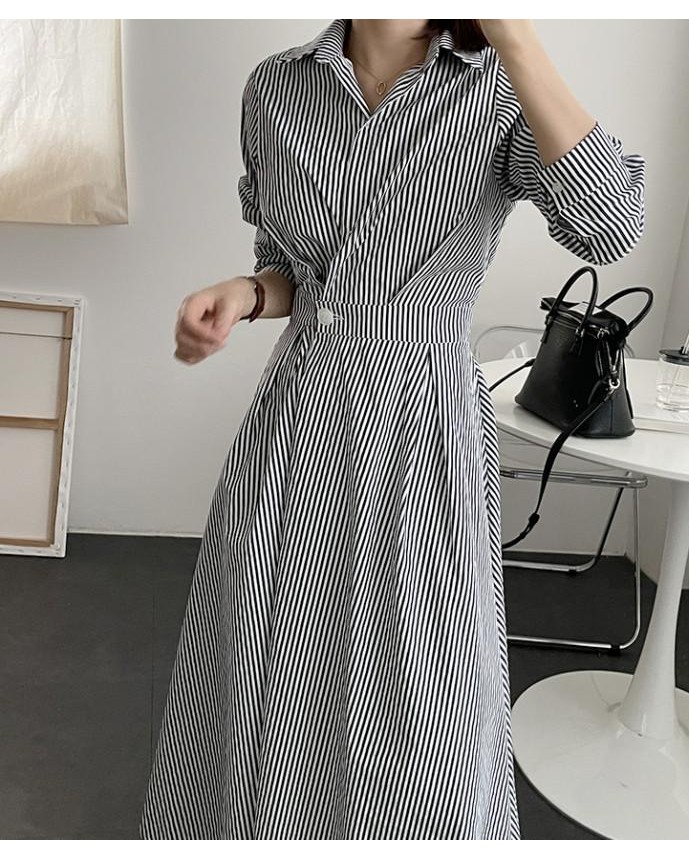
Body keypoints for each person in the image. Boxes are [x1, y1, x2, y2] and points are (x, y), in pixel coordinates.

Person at [139, 18, 644, 840]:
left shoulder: (496, 87)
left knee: (425, 699)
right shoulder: (277, 87)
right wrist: (247, 293)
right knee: (268, 664)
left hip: (423, 422)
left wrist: (514, 38)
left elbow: (611, 225)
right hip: (298, 422)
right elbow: (291, 265)